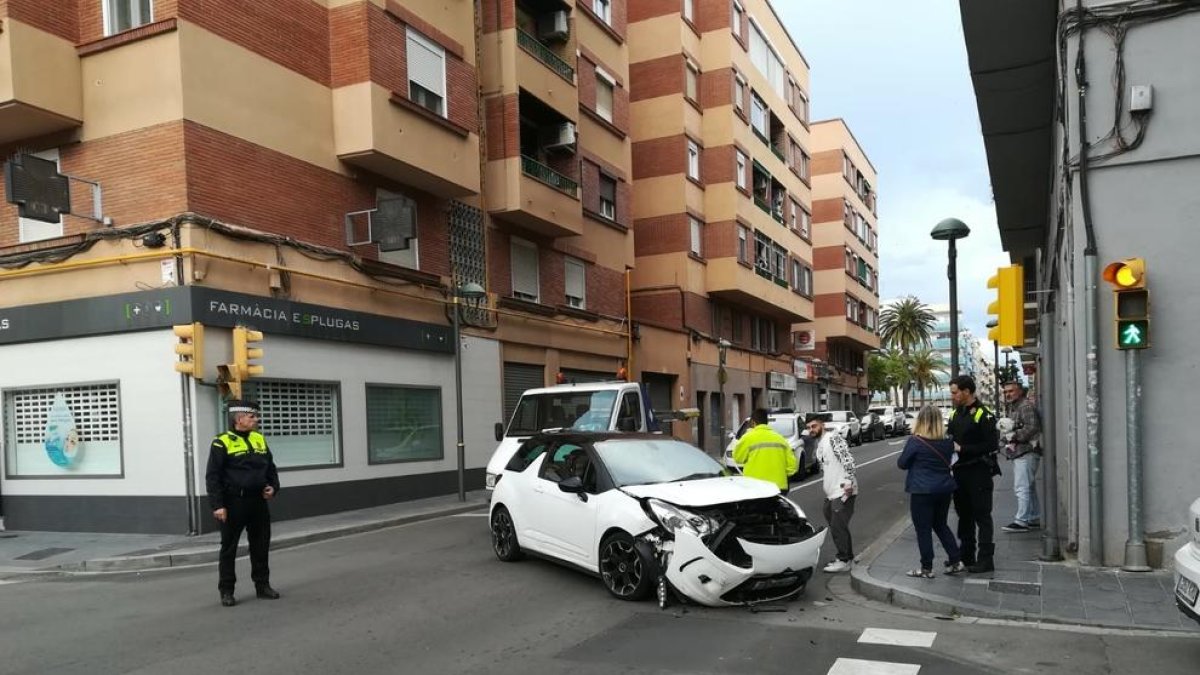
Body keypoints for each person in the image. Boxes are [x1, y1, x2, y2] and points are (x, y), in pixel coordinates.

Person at [206, 399, 281, 607]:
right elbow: (213, 476)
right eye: (252, 416)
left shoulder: (259, 438)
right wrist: (217, 505)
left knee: (261, 545)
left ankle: (262, 586)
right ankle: (227, 590)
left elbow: (270, 468)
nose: (257, 419)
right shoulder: (222, 442)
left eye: (256, 416)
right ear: (239, 419)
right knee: (229, 548)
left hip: (257, 501)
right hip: (233, 502)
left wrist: (273, 486)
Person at [898, 406, 965, 578]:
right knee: (941, 525)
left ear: (920, 421)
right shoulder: (948, 442)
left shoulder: (915, 441)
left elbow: (902, 463)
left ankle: (926, 568)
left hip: (922, 490)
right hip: (944, 489)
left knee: (923, 529)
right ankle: (956, 560)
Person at [947, 375, 1000, 573]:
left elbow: (991, 445)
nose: (952, 396)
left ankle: (986, 559)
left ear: (966, 392)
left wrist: (963, 449)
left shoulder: (984, 415)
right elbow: (950, 437)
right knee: (964, 515)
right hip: (959, 472)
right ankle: (966, 555)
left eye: (955, 392)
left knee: (982, 515)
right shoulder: (955, 414)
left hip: (978, 471)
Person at [807, 413, 858, 573]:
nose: (811, 429)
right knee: (836, 524)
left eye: (814, 426)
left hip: (843, 490)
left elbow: (848, 460)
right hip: (832, 492)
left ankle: (844, 560)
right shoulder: (820, 444)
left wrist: (849, 482)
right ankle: (847, 557)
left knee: (838, 525)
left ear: (822, 425)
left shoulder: (834, 438)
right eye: (809, 427)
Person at [1000, 381, 1042, 533]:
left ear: (1020, 391)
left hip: (1026, 452)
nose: (1008, 394)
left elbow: (1032, 427)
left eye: (1011, 391)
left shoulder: (1025, 407)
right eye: (1005, 392)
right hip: (1023, 452)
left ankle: (1021, 520)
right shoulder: (1016, 407)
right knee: (1029, 487)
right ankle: (1033, 517)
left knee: (1021, 487)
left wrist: (1013, 436)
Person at [732, 408, 797, 492]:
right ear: (767, 422)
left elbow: (737, 458)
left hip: (755, 487)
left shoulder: (748, 437)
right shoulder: (780, 439)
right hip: (778, 487)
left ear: (753, 422)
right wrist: (781, 475)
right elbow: (792, 466)